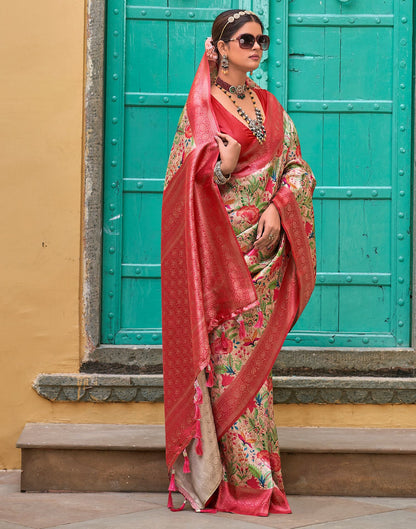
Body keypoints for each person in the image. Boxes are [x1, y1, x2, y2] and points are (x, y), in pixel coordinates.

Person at [161, 9, 316, 517]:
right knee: (229, 368)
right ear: (220, 48)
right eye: (245, 39)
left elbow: (296, 166)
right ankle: (241, 482)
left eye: (261, 39)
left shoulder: (269, 105)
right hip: (221, 257)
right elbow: (182, 181)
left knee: (256, 371)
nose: (256, 46)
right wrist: (222, 166)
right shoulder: (201, 109)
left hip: (267, 256)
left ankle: (259, 474)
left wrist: (279, 206)